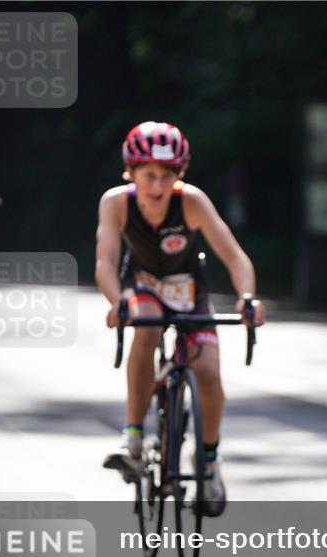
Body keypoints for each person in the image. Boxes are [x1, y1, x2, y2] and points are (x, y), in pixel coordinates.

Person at [96, 121, 265, 517]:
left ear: (179, 176)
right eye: (148, 175)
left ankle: (207, 459)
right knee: (148, 323)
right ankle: (134, 439)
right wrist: (118, 300)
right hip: (142, 287)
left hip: (191, 291)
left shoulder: (191, 202)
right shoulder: (116, 203)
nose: (157, 186)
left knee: (207, 370)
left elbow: (235, 256)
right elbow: (104, 260)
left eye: (166, 176)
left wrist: (247, 297)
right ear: (130, 173)